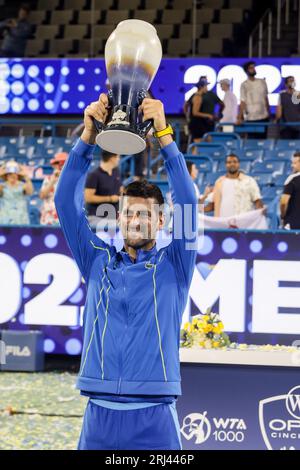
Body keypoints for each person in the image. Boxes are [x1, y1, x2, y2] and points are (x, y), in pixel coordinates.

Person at [54, 94, 197, 450]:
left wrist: (164, 134)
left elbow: (189, 204)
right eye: (130, 213)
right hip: (98, 417)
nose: (136, 220)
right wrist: (87, 138)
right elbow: (64, 203)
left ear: (161, 221)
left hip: (155, 417)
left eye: (146, 214)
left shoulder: (175, 264)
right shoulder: (97, 260)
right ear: (119, 218)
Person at [213, 154, 264, 218]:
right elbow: (213, 204)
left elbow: (257, 200)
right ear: (225, 165)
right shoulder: (219, 182)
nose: (232, 164)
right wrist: (199, 207)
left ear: (239, 164)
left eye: (235, 162)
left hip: (244, 223)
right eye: (229, 162)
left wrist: (260, 213)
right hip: (223, 224)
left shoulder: (249, 181)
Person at [84, 150, 122, 230]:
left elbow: (120, 189)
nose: (119, 159)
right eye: (118, 157)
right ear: (112, 158)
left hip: (114, 218)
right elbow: (88, 198)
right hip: (97, 217)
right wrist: (110, 198)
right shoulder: (94, 175)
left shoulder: (116, 171)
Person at [186, 77, 224, 148]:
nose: (207, 88)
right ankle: (196, 158)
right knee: (198, 145)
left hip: (199, 124)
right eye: (206, 86)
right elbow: (195, 112)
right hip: (197, 124)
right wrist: (208, 115)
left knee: (204, 142)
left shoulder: (197, 96)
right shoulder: (198, 97)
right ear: (201, 87)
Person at [237, 61, 270, 138]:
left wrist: (268, 112)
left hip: (263, 117)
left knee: (263, 141)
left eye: (254, 67)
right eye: (251, 68)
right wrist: (239, 117)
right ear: (246, 70)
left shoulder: (262, 82)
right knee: (252, 141)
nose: (253, 69)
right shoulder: (244, 85)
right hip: (251, 118)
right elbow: (243, 101)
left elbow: (266, 98)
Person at [0, 160, 33, 225]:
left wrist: (26, 177)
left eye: (14, 173)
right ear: (6, 175)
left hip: (21, 217)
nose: (12, 176)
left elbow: (30, 192)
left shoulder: (23, 185)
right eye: (10, 174)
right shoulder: (2, 186)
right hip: (5, 217)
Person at [39, 152, 68, 226]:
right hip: (49, 217)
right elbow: (42, 196)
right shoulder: (48, 179)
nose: (60, 166)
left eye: (63, 163)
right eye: (58, 163)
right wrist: (52, 181)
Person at [280, 152, 300, 229]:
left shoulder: (292, 179)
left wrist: (282, 215)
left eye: (295, 163)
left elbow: (283, 202)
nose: (292, 166)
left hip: (293, 224)